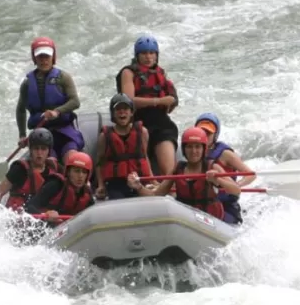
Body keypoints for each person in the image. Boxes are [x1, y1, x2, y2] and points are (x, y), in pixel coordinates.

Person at [137, 126, 242, 223]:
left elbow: (236, 190)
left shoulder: (213, 167)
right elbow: (157, 194)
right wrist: (139, 187)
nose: (193, 151)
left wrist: (218, 180)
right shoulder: (178, 168)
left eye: (197, 147)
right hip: (186, 219)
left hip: (210, 220)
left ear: (203, 149)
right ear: (184, 149)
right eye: (189, 147)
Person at [115, 34, 178, 177]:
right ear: (137, 55)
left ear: (156, 55)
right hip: (137, 122)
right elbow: (128, 100)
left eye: (152, 53)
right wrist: (159, 101)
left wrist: (172, 101)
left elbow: (172, 99)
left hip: (161, 124)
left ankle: (171, 187)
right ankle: (150, 181)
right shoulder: (128, 72)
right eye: (144, 53)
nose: (148, 57)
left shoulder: (161, 73)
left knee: (169, 171)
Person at [17, 37, 83, 161]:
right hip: (41, 134)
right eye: (40, 57)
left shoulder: (63, 77)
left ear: (53, 57)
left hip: (65, 131)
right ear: (34, 58)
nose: (44, 60)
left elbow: (75, 101)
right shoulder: (27, 84)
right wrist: (22, 135)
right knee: (49, 161)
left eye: (47, 56)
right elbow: (21, 110)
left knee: (71, 157)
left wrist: (57, 112)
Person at [193, 113, 255, 224]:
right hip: (202, 202)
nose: (204, 135)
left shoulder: (225, 154)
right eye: (201, 132)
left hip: (225, 205)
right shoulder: (192, 152)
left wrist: (236, 186)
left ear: (215, 135)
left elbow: (250, 174)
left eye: (208, 133)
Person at [94, 94, 153, 201]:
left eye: (125, 109)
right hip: (116, 184)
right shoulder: (104, 137)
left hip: (139, 180)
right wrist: (101, 185)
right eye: (118, 109)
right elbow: (99, 162)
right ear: (113, 113)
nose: (122, 112)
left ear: (131, 112)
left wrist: (152, 180)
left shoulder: (142, 132)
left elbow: (144, 157)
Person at [0, 128, 60, 211]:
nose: (39, 153)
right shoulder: (19, 169)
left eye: (43, 149)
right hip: (16, 216)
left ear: (49, 151)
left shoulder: (53, 172)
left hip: (39, 216)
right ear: (30, 150)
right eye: (36, 148)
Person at [25, 151, 96, 225]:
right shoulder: (56, 185)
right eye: (76, 171)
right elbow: (29, 207)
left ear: (88, 175)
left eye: (84, 172)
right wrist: (45, 215)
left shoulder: (87, 194)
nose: (80, 176)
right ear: (68, 172)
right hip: (46, 226)